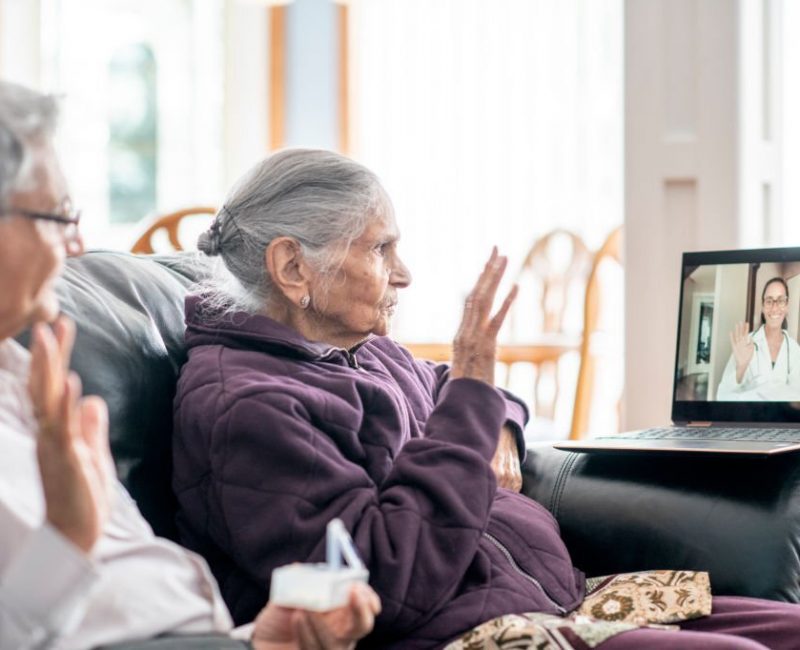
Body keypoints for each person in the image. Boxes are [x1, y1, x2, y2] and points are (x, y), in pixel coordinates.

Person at [173, 147, 800, 649]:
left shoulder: (358, 351)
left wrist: (494, 419)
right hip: (470, 633)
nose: (403, 272)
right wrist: (473, 388)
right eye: (379, 248)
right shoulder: (248, 408)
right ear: (292, 269)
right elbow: (390, 583)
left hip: (556, 595)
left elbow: (467, 399)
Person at [0, 80, 379, 650]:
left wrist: (259, 640)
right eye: (58, 216)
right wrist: (66, 539)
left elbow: (130, 585)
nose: (76, 247)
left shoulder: (23, 371)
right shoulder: (242, 394)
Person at [717, 277, 800, 400]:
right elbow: (722, 396)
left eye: (781, 300)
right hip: (750, 417)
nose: (775, 307)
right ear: (762, 306)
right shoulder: (745, 344)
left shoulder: (794, 350)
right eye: (769, 301)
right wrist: (741, 368)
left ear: (787, 306)